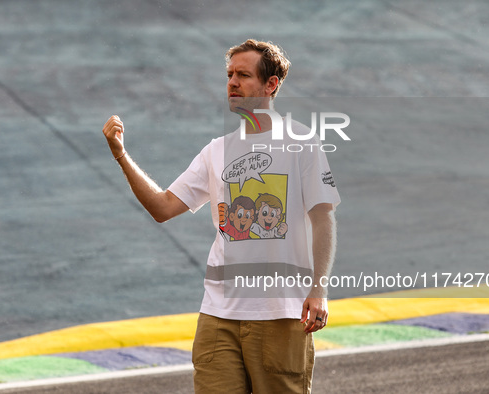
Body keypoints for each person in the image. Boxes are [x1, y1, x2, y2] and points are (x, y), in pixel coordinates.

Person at [102, 39, 340, 394]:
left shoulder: (302, 143)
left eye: (243, 75)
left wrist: (318, 290)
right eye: (229, 74)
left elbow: (323, 219)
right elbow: (163, 207)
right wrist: (121, 155)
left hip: (280, 313)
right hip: (218, 315)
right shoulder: (216, 150)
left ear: (271, 84)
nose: (232, 82)